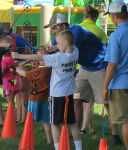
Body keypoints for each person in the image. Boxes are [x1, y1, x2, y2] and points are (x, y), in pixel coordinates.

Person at [44, 13, 121, 146]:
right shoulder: (59, 38)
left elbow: (64, 46)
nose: (53, 31)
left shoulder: (76, 31)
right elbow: (57, 51)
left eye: (54, 28)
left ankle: (115, 135)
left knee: (106, 102)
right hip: (85, 68)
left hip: (100, 66)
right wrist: (48, 50)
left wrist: (52, 49)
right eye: (51, 29)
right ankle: (76, 131)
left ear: (63, 26)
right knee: (76, 98)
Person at [11, 30, 82, 150]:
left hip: (57, 95)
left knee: (54, 124)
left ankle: (58, 147)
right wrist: (54, 47)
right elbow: (67, 46)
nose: (57, 46)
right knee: (72, 123)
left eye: (58, 43)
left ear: (65, 42)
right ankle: (79, 148)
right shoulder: (75, 51)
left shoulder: (58, 57)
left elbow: (39, 56)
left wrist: (19, 56)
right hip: (69, 93)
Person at [78, 5, 108, 134]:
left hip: (79, 69)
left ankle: (84, 128)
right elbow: (106, 50)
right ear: (95, 17)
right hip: (97, 69)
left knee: (80, 100)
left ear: (85, 16)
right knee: (89, 102)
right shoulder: (99, 30)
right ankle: (86, 128)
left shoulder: (78, 27)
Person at [102, 1, 128, 149]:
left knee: (125, 121)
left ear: (115, 15)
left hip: (121, 84)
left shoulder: (116, 35)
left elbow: (112, 64)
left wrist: (105, 87)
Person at [16, 49, 52, 144]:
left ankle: (28, 139)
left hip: (36, 99)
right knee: (45, 121)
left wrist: (17, 69)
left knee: (31, 120)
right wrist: (35, 66)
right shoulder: (48, 68)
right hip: (43, 98)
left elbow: (25, 74)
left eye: (38, 57)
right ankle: (49, 140)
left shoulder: (41, 70)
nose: (36, 59)